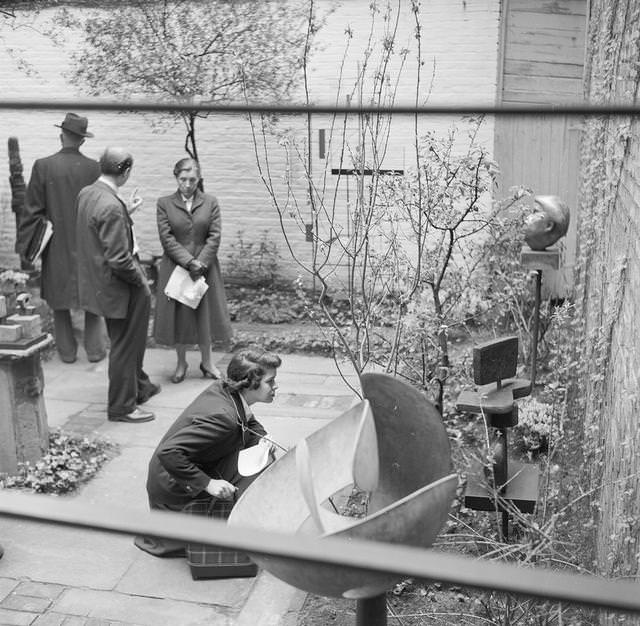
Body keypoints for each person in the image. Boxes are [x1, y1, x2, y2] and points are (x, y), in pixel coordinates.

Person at [134, 349, 281, 557]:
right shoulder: (223, 418)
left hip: (184, 466)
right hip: (173, 483)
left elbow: (247, 419)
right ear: (249, 383)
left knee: (260, 457)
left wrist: (261, 438)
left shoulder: (228, 389)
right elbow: (169, 453)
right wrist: (209, 484)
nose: (276, 386)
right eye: (271, 381)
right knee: (255, 474)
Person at [76, 147, 160, 423]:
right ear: (125, 172)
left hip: (101, 283)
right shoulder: (111, 205)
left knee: (130, 342)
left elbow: (100, 231)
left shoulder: (88, 193)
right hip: (122, 287)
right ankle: (122, 407)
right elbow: (120, 259)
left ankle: (141, 387)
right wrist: (141, 282)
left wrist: (128, 212)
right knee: (126, 346)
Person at [16, 112, 106, 363]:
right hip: (89, 243)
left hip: (56, 243)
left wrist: (28, 245)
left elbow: (32, 209)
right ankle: (96, 350)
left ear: (61, 136)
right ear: (82, 141)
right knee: (92, 297)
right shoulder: (95, 168)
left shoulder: (43, 166)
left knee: (59, 300)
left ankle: (67, 352)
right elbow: (102, 209)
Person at [154, 158, 232, 384]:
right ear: (175, 177)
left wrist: (201, 262)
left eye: (192, 180)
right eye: (183, 179)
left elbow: (215, 235)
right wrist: (189, 261)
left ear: (199, 179)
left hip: (205, 267)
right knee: (181, 316)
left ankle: (207, 362)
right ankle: (181, 363)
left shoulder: (210, 202)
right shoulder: (164, 203)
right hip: (177, 267)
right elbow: (166, 238)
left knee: (204, 315)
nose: (187, 184)